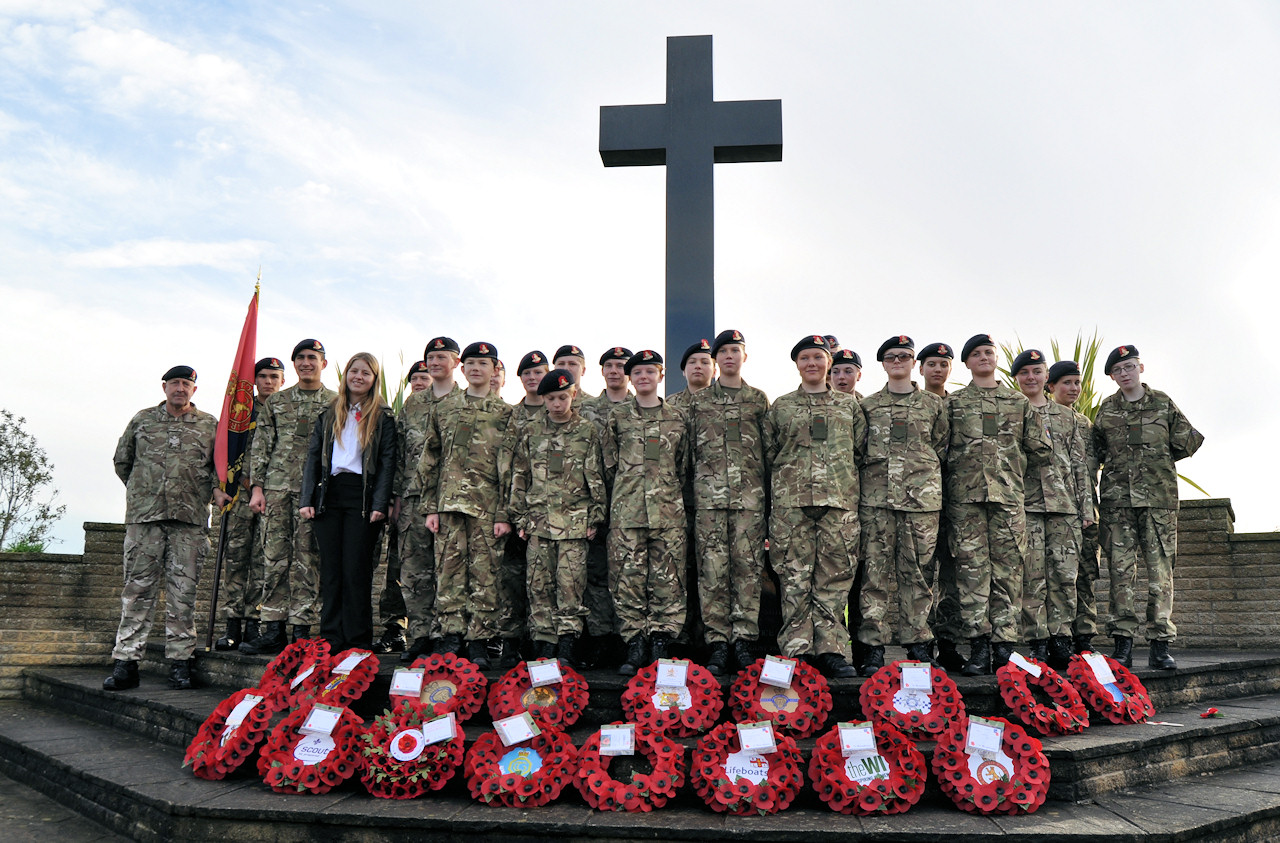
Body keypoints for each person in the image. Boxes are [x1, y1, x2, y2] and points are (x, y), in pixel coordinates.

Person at [104, 366, 231, 691]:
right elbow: (123, 462)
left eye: (186, 383)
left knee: (183, 593)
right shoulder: (143, 420)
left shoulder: (208, 425)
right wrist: (144, 491)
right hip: (145, 520)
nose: (180, 388)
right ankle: (126, 663)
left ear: (193, 390)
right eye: (175, 383)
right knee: (137, 591)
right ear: (164, 387)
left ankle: (180, 663)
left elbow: (220, 469)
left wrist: (209, 492)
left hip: (189, 521)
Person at [944, 334, 1051, 675]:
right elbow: (937, 448)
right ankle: (978, 647)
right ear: (967, 363)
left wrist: (1010, 473)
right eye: (976, 354)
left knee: (1008, 573)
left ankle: (1003, 647)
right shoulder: (953, 404)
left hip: (1007, 501)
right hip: (966, 500)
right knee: (971, 573)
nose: (984, 357)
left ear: (996, 358)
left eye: (989, 352)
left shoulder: (1017, 403)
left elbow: (1040, 449)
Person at [1093, 345, 1203, 669]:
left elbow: (1186, 442)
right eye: (1118, 370)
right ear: (1112, 376)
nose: (1124, 374)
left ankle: (1160, 644)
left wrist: (1156, 465)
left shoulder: (1163, 403)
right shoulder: (1105, 411)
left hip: (1158, 502)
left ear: (1141, 367)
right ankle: (1123, 643)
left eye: (1129, 367)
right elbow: (1095, 453)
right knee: (1120, 573)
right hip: (1117, 505)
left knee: (1160, 574)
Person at [763, 335, 864, 679]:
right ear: (797, 364)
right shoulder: (781, 406)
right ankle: (797, 649)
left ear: (828, 364)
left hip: (839, 504)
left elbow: (861, 452)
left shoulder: (849, 406)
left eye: (818, 358)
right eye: (805, 358)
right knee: (794, 580)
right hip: (792, 506)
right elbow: (769, 453)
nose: (812, 364)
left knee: (833, 581)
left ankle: (832, 651)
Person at [416, 341, 514, 669]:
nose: (476, 369)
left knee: (486, 574)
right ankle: (451, 635)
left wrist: (504, 514)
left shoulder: (505, 414)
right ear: (462, 368)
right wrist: (430, 506)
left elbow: (511, 469)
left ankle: (480, 639)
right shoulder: (444, 408)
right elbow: (430, 458)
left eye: (483, 364)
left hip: (487, 509)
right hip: (447, 505)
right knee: (449, 571)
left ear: (494, 370)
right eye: (470, 363)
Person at [855, 336, 949, 675]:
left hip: (920, 504)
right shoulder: (867, 406)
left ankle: (918, 644)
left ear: (914, 364)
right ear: (883, 363)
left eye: (905, 356)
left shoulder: (933, 405)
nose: (898, 361)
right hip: (877, 503)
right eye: (892, 357)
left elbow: (941, 445)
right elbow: (858, 450)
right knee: (874, 577)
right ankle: (872, 648)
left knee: (918, 577)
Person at [242, 340, 336, 655]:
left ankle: (302, 630)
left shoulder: (337, 403)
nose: (306, 363)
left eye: (313, 357)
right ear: (294, 364)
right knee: (274, 559)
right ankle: (273, 629)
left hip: (316, 494)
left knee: (308, 560)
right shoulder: (277, 403)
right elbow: (262, 445)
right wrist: (257, 488)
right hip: (277, 491)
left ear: (323, 363)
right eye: (301, 358)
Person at [508, 369, 607, 664]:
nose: (556, 404)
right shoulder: (530, 430)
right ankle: (544, 643)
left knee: (570, 584)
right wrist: (519, 517)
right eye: (550, 398)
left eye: (563, 397)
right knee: (538, 585)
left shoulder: (586, 431)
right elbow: (520, 475)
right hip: (538, 522)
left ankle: (567, 643)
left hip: (575, 523)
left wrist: (596, 515)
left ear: (573, 395)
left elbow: (596, 477)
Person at [300, 353, 397, 652]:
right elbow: (313, 459)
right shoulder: (329, 413)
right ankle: (331, 637)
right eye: (353, 371)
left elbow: (387, 463)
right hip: (331, 494)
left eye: (365, 373)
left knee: (356, 570)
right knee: (331, 570)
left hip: (363, 497)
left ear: (374, 379)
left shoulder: (383, 417)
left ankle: (356, 639)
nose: (358, 376)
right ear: (345, 376)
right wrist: (308, 499)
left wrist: (380, 503)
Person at [601, 350, 691, 675]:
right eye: (637, 372)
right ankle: (635, 642)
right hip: (627, 512)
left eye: (649, 372)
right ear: (631, 378)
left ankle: (662, 640)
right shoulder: (618, 418)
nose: (643, 377)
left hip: (668, 512)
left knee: (668, 579)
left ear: (660, 376)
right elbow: (608, 465)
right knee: (627, 579)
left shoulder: (677, 418)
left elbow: (683, 466)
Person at [687, 329, 770, 675]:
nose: (730, 357)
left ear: (744, 357)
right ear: (716, 360)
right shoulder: (698, 401)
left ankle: (744, 641)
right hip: (709, 502)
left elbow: (769, 452)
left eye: (736, 351)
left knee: (748, 570)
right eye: (724, 352)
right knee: (712, 572)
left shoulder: (758, 399)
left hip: (749, 500)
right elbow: (687, 452)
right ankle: (718, 643)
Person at [1012, 349, 1090, 669]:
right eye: (1025, 373)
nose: (1031, 377)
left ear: (1046, 378)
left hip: (1064, 507)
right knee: (1032, 577)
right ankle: (1038, 640)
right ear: (1017, 379)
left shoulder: (1068, 417)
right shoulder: (1012, 412)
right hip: (1025, 506)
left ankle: (1061, 638)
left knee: (1064, 575)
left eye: (1037, 371)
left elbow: (1079, 465)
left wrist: (1086, 510)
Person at [394, 338, 462, 663]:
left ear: (456, 361)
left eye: (441, 356)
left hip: (451, 501)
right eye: (431, 357)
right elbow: (398, 454)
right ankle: (419, 635)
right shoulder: (413, 405)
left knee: (450, 570)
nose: (435, 362)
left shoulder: (467, 401)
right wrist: (395, 496)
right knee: (413, 570)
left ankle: (447, 635)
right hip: (412, 500)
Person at [215, 356, 285, 651]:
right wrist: (216, 489)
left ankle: (255, 624)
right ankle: (232, 624)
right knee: (236, 560)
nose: (268, 382)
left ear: (283, 381)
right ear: (253, 380)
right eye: (263, 377)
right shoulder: (239, 412)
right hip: (239, 496)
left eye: (274, 377)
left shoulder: (286, 410)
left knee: (264, 562)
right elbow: (218, 451)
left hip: (275, 496)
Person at [370, 359, 433, 656]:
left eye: (425, 377)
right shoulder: (406, 413)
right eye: (415, 379)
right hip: (406, 503)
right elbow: (393, 459)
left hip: (438, 502)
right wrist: (392, 497)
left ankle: (435, 632)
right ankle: (395, 628)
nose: (420, 382)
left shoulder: (448, 410)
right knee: (398, 569)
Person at [577, 345, 633, 667]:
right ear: (601, 371)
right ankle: (600, 639)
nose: (614, 370)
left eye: (620, 366)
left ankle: (626, 639)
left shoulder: (640, 407)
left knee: (628, 573)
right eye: (609, 365)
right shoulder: (585, 411)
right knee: (596, 574)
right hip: (593, 504)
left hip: (632, 504)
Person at [1047, 359, 1102, 654]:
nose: (1073, 388)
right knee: (1059, 576)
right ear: (1051, 386)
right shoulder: (1041, 419)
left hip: (1088, 510)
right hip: (1059, 510)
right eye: (1066, 382)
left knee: (1087, 574)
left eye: (1077, 383)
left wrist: (1089, 510)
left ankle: (1085, 636)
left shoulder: (1086, 425)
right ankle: (1060, 636)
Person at [916, 342, 964, 669]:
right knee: (920, 574)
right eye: (931, 363)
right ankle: (919, 643)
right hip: (919, 500)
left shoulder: (961, 405)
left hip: (957, 501)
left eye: (944, 364)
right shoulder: (912, 404)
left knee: (952, 574)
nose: (938, 369)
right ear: (920, 368)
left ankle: (947, 642)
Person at [668, 338, 715, 407]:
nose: (698, 366)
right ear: (684, 371)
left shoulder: (725, 402)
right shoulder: (670, 404)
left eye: (705, 362)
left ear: (714, 372)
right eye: (692, 362)